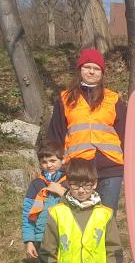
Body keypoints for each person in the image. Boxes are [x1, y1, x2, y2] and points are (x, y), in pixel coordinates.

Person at [48, 49, 127, 210]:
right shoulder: (65, 98)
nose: (92, 71)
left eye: (97, 68)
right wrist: (52, 166)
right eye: (87, 67)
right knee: (79, 217)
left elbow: (126, 135)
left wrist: (129, 166)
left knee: (105, 218)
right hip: (78, 168)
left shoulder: (113, 99)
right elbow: (55, 135)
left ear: (102, 73)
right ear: (80, 70)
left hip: (111, 167)